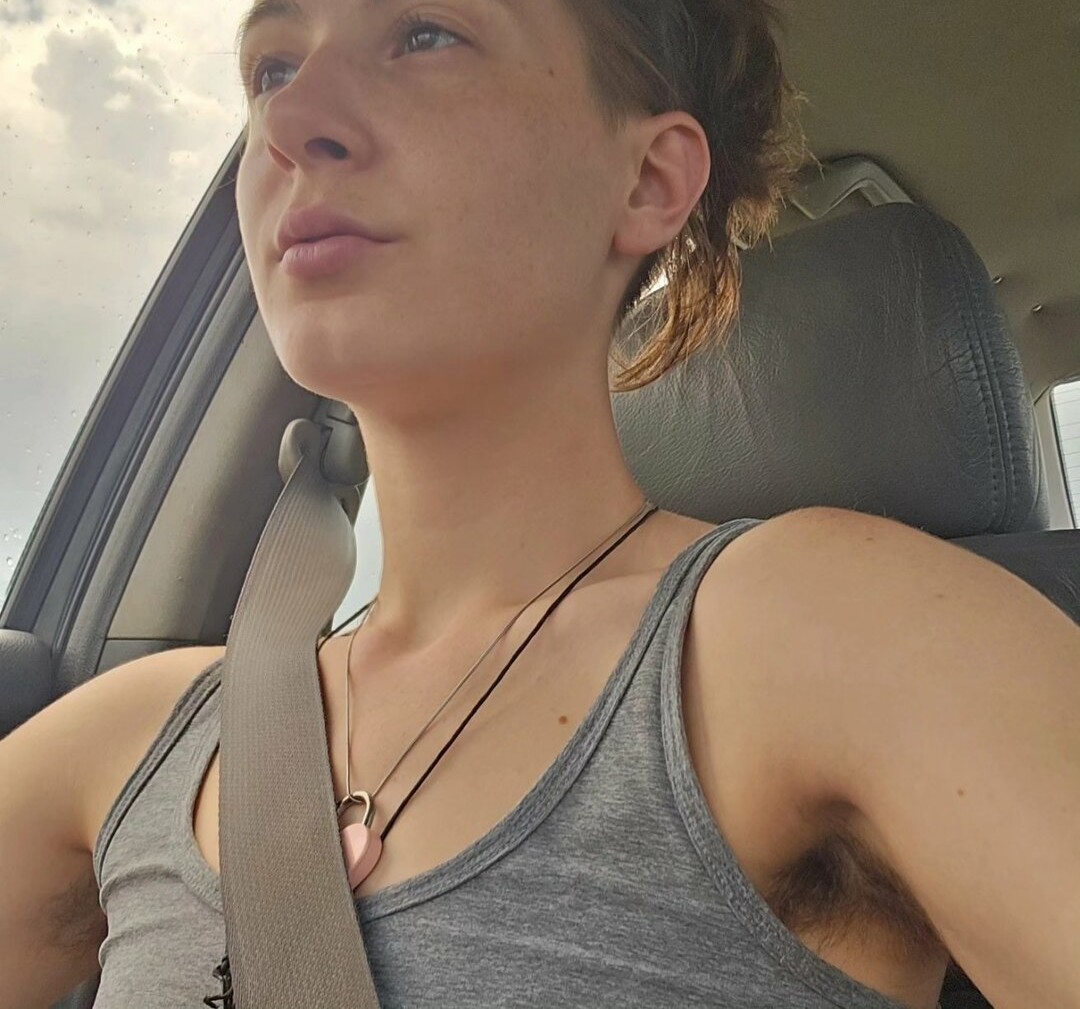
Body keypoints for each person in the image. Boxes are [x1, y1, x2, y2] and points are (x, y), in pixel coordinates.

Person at [2, 1, 1078, 1008]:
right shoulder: (140, 731)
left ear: (649, 180)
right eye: (271, 69)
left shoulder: (832, 627)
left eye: (426, 35)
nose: (289, 122)